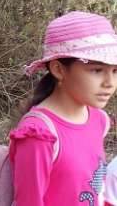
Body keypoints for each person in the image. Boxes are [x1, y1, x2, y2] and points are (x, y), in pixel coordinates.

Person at [10, 11, 117, 206]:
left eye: (115, 71)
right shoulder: (38, 135)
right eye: (96, 70)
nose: (109, 83)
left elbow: (92, 188)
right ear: (58, 69)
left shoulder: (99, 120)